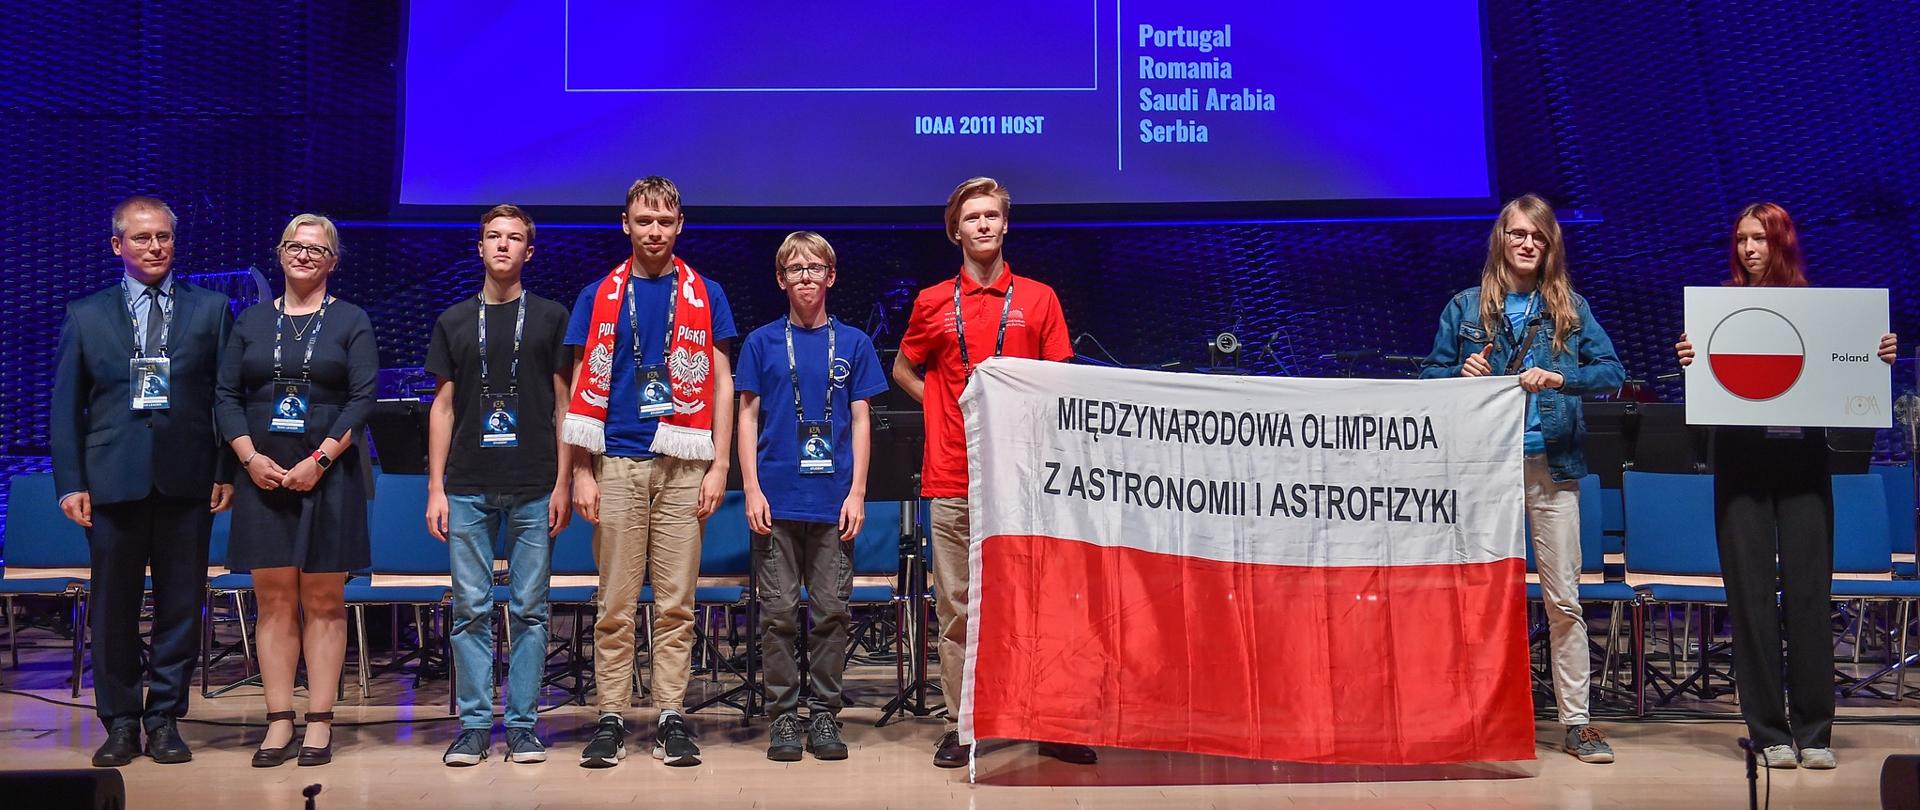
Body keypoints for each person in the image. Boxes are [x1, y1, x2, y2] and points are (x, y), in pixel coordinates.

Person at [1674, 202, 1899, 770]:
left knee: (1808, 596)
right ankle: (1769, 731)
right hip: (1741, 466)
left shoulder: (1819, 311)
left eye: (1760, 238)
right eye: (1741, 239)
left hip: (1803, 466)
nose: (1749, 248)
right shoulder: (1717, 311)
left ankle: (1815, 732)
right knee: (1750, 600)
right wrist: (1691, 360)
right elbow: (1710, 389)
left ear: (1782, 243)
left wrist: (1877, 356)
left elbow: (1851, 368)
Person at [892, 177, 1092, 768]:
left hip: (1024, 478)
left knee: (1038, 602)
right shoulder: (933, 301)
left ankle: (1049, 720)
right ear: (955, 231)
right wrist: (941, 405)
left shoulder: (1039, 298)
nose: (982, 224)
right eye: (971, 217)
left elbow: (1059, 380)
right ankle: (963, 725)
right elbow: (904, 368)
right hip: (952, 474)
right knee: (956, 607)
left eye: (991, 215)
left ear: (1005, 225)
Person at [1419, 193, 1625, 763]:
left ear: (1550, 244)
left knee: (1564, 601)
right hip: (1484, 471)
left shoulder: (1571, 309)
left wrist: (1560, 378)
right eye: (1518, 233)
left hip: (1552, 467)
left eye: (1538, 235)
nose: (1527, 243)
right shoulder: (1465, 307)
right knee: (1476, 597)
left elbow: (1612, 371)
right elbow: (1429, 376)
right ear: (1501, 240)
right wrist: (1458, 373)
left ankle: (1577, 723)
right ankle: (1467, 718)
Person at [51, 196, 235, 766]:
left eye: (163, 237)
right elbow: (65, 408)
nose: (155, 247)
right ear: (118, 246)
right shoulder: (86, 315)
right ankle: (122, 721)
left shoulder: (212, 310)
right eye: (141, 238)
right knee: (113, 607)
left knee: (181, 605)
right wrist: (70, 482)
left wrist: (225, 470)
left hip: (188, 478)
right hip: (111, 481)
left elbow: (226, 399)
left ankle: (165, 719)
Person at [565, 177, 736, 768]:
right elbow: (582, 384)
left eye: (665, 221)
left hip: (685, 465)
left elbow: (722, 382)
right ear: (626, 224)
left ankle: (670, 716)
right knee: (614, 605)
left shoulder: (706, 292)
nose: (655, 231)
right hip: (616, 462)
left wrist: (719, 464)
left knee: (676, 605)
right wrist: (581, 471)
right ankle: (611, 717)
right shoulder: (598, 294)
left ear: (680, 225)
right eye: (644, 221)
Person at [215, 214, 378, 768]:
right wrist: (247, 457)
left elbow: (361, 399)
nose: (304, 255)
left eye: (316, 249)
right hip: (261, 474)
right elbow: (225, 396)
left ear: (333, 260)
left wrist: (319, 460)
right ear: (281, 254)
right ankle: (279, 719)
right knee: (275, 600)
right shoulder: (250, 321)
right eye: (294, 246)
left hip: (328, 475)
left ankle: (320, 721)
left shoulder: (352, 319)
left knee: (325, 600)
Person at [424, 205, 574, 766]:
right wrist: (435, 487)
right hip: (467, 484)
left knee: (531, 610)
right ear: (480, 247)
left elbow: (564, 405)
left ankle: (523, 726)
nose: (503, 245)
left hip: (535, 482)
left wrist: (564, 481)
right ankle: (472, 727)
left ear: (529, 252)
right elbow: (442, 408)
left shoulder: (552, 317)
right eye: (493, 236)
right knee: (470, 609)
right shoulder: (454, 319)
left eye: (514, 238)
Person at [736, 232, 889, 761]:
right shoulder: (761, 342)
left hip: (833, 502)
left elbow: (861, 420)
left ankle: (824, 713)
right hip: (775, 502)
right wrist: (751, 487)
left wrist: (858, 492)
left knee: (831, 613)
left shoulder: (854, 343)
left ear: (831, 276)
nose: (806, 276)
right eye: (795, 268)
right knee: (778, 613)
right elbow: (747, 416)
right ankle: (783, 716)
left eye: (815, 267)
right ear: (781, 279)